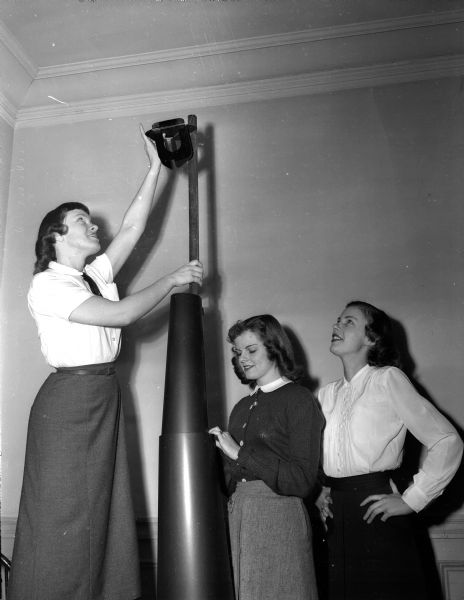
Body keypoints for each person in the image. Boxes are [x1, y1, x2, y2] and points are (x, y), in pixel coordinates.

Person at [8, 126, 203, 600]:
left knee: (101, 514)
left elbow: (134, 227)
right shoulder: (48, 285)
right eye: (81, 221)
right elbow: (121, 315)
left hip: (102, 397)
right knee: (61, 517)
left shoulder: (91, 276)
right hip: (69, 405)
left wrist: (155, 167)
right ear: (56, 236)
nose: (94, 225)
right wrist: (173, 279)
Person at [316, 300, 463, 600]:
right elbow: (312, 453)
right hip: (335, 516)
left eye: (348, 322)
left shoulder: (387, 380)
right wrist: (316, 491)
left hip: (376, 509)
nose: (336, 326)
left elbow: (447, 440)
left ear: (371, 338)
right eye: (337, 320)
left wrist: (412, 499)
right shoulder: (325, 394)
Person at [209, 314, 323, 600]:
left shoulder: (298, 398)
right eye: (237, 352)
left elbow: (301, 481)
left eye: (251, 350)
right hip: (240, 515)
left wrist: (239, 453)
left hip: (278, 516)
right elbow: (231, 478)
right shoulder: (241, 407)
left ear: (274, 347)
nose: (242, 358)